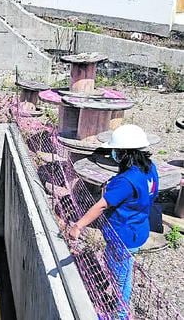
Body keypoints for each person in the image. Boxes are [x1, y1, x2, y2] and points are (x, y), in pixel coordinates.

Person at [69, 124, 159, 316]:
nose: (113, 155)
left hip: (122, 235)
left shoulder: (126, 180)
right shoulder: (150, 168)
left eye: (116, 151)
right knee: (123, 271)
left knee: (121, 279)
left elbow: (102, 205)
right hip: (139, 228)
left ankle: (120, 315)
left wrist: (78, 226)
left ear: (124, 153)